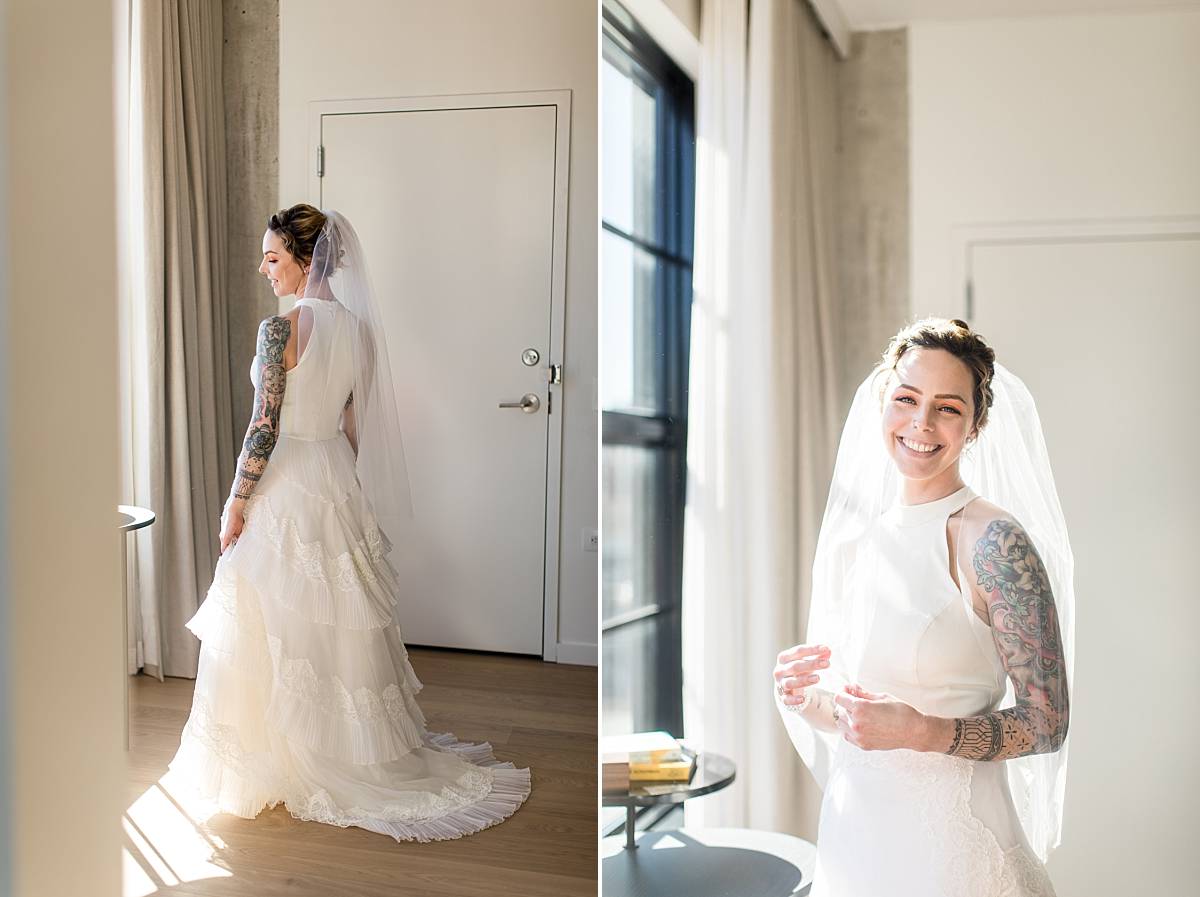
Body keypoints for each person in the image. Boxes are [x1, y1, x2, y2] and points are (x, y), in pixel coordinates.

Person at [164, 203, 531, 841]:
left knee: (275, 616)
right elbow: (355, 426)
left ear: (307, 261)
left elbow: (264, 426)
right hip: (333, 472)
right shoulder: (357, 330)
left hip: (286, 477)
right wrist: (340, 484)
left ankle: (285, 757)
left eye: (273, 258)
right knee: (332, 621)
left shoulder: (279, 331)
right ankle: (337, 749)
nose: (263, 268)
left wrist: (236, 503)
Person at [773, 318, 1073, 896]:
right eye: (906, 399)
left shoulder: (993, 543)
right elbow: (860, 717)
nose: (921, 423)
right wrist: (803, 696)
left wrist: (923, 731)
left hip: (955, 851)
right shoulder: (861, 536)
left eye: (948, 407)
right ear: (883, 402)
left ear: (976, 424)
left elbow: (1047, 724)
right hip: (857, 837)